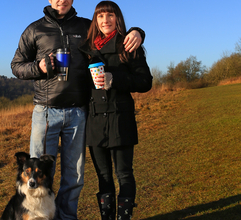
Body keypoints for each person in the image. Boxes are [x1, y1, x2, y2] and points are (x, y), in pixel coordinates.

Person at [11, 0, 145, 219]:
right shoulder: (34, 29)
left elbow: (110, 27)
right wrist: (39, 67)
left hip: (78, 112)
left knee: (74, 177)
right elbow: (16, 65)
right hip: (46, 112)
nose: (61, 0)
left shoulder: (85, 26)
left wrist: (138, 32)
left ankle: (66, 217)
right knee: (40, 173)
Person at [78, 1, 152, 219]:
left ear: (117, 18)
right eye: (100, 17)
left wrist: (115, 78)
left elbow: (145, 82)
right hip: (95, 120)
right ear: (95, 20)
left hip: (121, 119)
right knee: (103, 177)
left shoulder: (128, 45)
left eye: (110, 16)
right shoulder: (86, 49)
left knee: (124, 174)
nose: (105, 21)